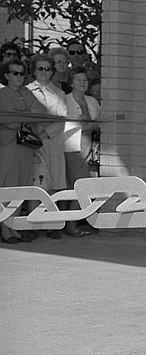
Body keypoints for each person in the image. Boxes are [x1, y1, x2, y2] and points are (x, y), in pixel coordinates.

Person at [0, 58, 49, 244]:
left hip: (26, 146)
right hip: (8, 146)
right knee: (7, 186)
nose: (19, 77)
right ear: (6, 75)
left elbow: (41, 111)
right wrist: (26, 114)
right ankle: (4, 227)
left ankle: (13, 226)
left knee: (22, 186)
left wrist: (23, 115)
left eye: (22, 73)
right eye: (15, 73)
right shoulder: (3, 94)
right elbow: (9, 120)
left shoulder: (26, 92)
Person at [26, 54, 68, 237]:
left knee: (52, 185)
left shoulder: (59, 93)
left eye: (47, 69)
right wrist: (33, 136)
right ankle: (33, 224)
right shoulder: (25, 91)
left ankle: (51, 224)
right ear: (34, 70)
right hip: (32, 145)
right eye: (40, 68)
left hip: (52, 142)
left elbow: (61, 120)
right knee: (35, 184)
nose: (44, 72)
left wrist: (42, 135)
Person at [63, 67, 100, 236]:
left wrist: (87, 126)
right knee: (79, 185)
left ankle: (70, 222)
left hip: (89, 147)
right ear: (71, 82)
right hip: (73, 148)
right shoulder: (65, 100)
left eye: (85, 79)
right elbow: (69, 126)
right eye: (78, 79)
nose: (82, 82)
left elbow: (98, 123)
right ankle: (71, 225)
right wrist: (88, 126)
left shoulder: (92, 101)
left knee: (77, 186)